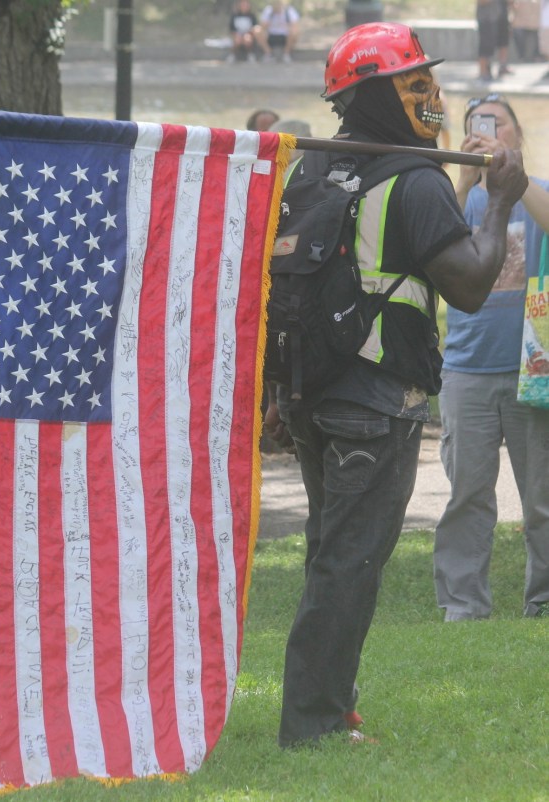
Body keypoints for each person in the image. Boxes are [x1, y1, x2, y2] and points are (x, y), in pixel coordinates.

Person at [264, 22, 528, 748]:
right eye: (416, 82)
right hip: (376, 404)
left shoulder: (313, 168)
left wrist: (277, 393)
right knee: (348, 562)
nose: (433, 95)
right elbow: (472, 287)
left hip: (313, 398)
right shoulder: (415, 180)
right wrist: (501, 199)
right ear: (375, 96)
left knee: (331, 553)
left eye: (429, 80)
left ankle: (328, 705)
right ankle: (313, 726)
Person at [433, 94, 549, 621]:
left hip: (532, 370)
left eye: (497, 124)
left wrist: (515, 179)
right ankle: (463, 607)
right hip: (465, 369)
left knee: (542, 501)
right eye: (479, 126)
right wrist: (462, 177)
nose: (489, 132)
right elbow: (429, 242)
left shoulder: (538, 194)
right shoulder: (452, 199)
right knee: (467, 498)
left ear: (519, 136)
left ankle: (543, 602)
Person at [476, 0, 514, 81]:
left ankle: (502, 67)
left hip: (501, 12)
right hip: (486, 15)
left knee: (504, 40)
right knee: (486, 43)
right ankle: (483, 71)